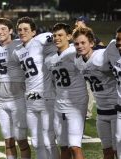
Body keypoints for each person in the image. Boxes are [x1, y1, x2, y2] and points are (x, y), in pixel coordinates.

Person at [12, 16, 59, 159]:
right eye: (19, 30)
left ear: (34, 32)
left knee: (48, 140)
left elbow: (59, 38)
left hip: (46, 97)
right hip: (30, 100)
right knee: (37, 142)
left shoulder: (41, 40)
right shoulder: (17, 51)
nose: (22, 32)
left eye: (26, 29)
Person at [0, 17, 31, 159]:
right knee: (8, 141)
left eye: (4, 29)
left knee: (22, 140)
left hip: (18, 99)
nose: (0, 32)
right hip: (1, 100)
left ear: (11, 31)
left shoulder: (20, 44)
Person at [73, 26, 118, 159]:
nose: (80, 46)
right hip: (101, 112)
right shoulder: (78, 61)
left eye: (83, 43)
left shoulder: (101, 57)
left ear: (92, 43)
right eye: (77, 43)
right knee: (107, 151)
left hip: (116, 111)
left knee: (118, 151)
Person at [45, 23, 88, 159]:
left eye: (60, 35)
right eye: (55, 35)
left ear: (69, 36)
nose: (57, 38)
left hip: (76, 103)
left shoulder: (73, 52)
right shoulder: (50, 59)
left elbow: (87, 49)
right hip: (59, 103)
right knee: (63, 146)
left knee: (74, 146)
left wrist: (82, 30)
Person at [103, 25, 121, 159]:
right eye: (117, 39)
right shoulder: (112, 48)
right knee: (119, 146)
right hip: (120, 110)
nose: (119, 43)